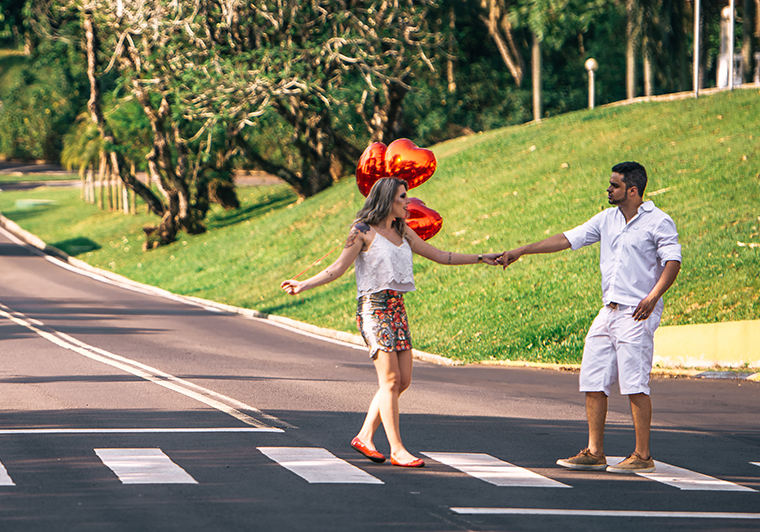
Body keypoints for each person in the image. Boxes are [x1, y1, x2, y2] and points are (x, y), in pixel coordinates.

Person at [282, 176, 500, 468]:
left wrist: (481, 257)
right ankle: (397, 449)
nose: (407, 202)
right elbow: (337, 268)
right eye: (402, 197)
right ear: (386, 199)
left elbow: (440, 255)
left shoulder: (402, 230)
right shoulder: (361, 231)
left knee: (403, 381)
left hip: (398, 309)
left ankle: (364, 436)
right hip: (374, 310)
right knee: (390, 380)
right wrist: (303, 284)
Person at [497, 161, 681, 475]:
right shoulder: (607, 219)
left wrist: (653, 298)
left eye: (614, 185)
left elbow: (672, 261)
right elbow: (567, 239)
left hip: (637, 312)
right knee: (593, 378)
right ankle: (595, 452)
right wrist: (523, 250)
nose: (608, 189)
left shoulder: (658, 221)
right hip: (607, 311)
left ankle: (642, 454)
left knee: (635, 382)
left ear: (632, 190)